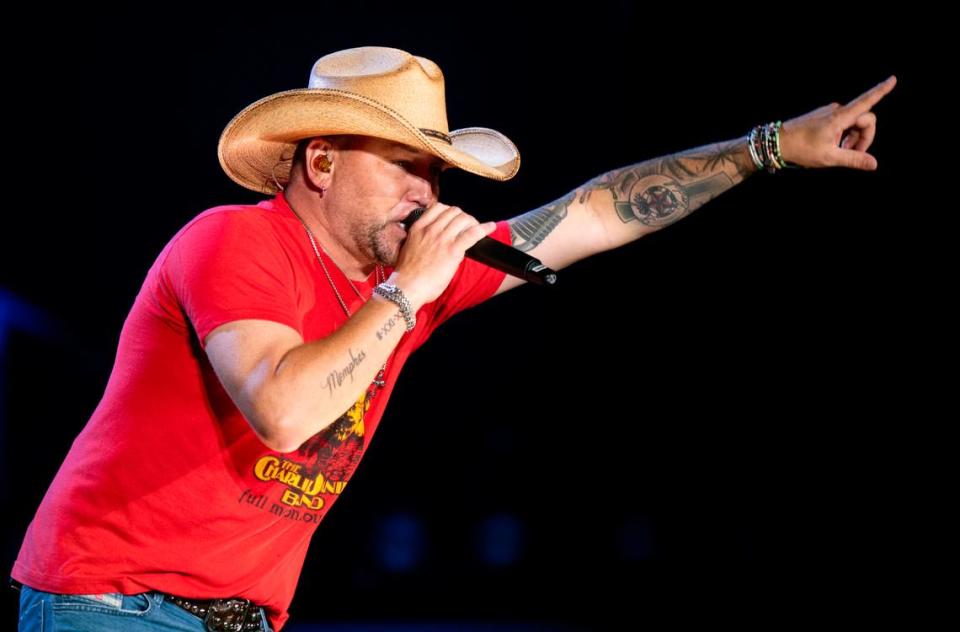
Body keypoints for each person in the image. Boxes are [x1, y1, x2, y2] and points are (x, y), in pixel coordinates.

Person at [11, 46, 895, 632]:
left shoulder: (412, 279)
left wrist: (769, 147)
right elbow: (283, 410)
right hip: (112, 608)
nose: (428, 192)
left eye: (434, 169)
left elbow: (592, 210)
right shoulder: (233, 241)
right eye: (405, 165)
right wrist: (406, 292)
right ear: (320, 162)